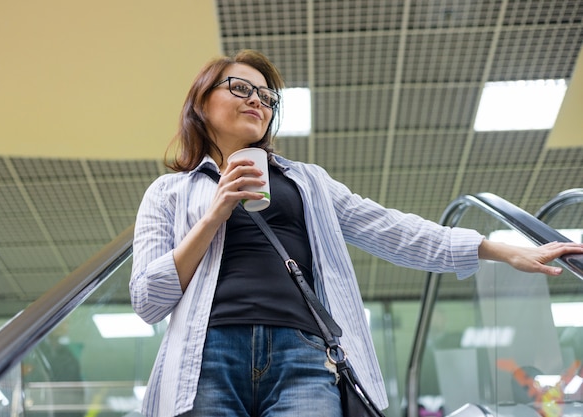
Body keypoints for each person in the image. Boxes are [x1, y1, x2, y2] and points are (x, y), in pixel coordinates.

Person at [130, 49, 583, 417]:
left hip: (303, 353)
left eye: (268, 98)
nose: (258, 101)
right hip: (206, 355)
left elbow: (390, 228)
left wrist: (499, 251)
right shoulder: (169, 192)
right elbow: (148, 298)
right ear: (201, 102)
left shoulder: (306, 181)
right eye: (241, 88)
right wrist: (213, 215)